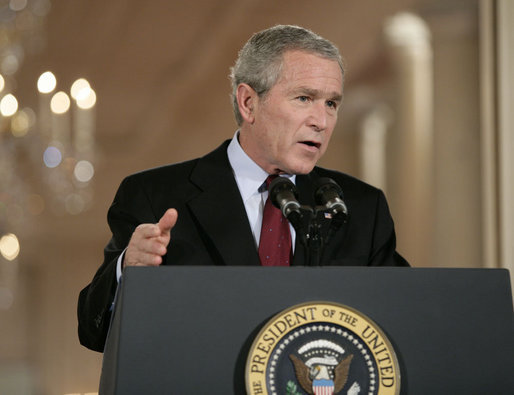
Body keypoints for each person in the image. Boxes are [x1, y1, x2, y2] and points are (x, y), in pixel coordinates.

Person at [78, 24, 409, 352]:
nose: (321, 121)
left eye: (331, 104)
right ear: (249, 102)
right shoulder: (155, 194)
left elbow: (403, 321)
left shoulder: (361, 207)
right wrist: (129, 272)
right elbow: (93, 331)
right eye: (304, 98)